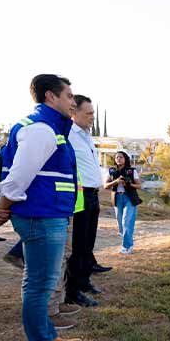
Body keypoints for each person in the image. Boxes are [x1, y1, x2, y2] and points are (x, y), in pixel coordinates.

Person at [0, 74, 84, 341]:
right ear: (50, 97)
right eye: (69, 96)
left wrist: (5, 208)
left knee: (38, 283)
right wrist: (3, 208)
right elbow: (17, 177)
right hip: (42, 217)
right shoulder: (41, 129)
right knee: (40, 287)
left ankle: (49, 338)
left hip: (46, 214)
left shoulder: (49, 127)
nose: (73, 102)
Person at [66, 94, 110, 308]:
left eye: (93, 113)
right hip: (79, 196)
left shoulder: (86, 135)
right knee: (78, 244)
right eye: (89, 113)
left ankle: (84, 281)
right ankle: (72, 290)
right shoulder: (68, 134)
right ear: (74, 113)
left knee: (88, 243)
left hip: (93, 195)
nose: (92, 117)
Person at [104, 151, 141, 254]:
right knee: (120, 225)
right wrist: (116, 182)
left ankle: (126, 247)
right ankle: (128, 241)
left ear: (125, 159)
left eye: (121, 157)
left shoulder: (132, 171)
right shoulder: (111, 171)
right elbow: (105, 186)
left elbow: (139, 185)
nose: (118, 159)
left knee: (126, 221)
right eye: (117, 157)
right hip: (117, 199)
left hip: (129, 198)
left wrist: (129, 184)